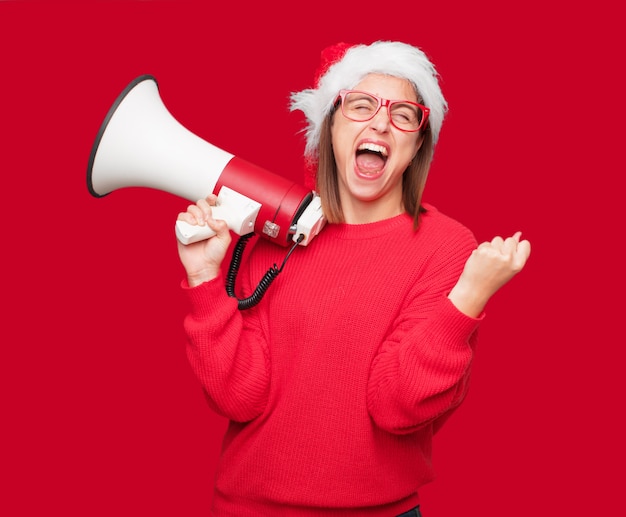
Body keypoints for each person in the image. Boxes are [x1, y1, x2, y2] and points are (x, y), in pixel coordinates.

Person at [176, 40, 531, 516]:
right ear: (329, 129)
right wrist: (203, 278)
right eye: (361, 105)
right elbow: (238, 396)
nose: (381, 123)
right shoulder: (278, 236)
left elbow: (397, 407)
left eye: (404, 114)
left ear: (417, 144)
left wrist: (467, 299)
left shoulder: (447, 249)